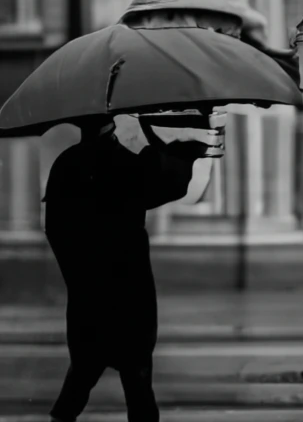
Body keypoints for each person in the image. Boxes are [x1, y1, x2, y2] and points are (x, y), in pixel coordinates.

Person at [43, 114, 222, 422]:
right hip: (128, 285)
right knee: (137, 378)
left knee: (83, 370)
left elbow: (55, 229)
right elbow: (168, 184)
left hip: (88, 288)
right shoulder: (121, 161)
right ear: (110, 123)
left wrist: (76, 272)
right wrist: (179, 149)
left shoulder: (67, 163)